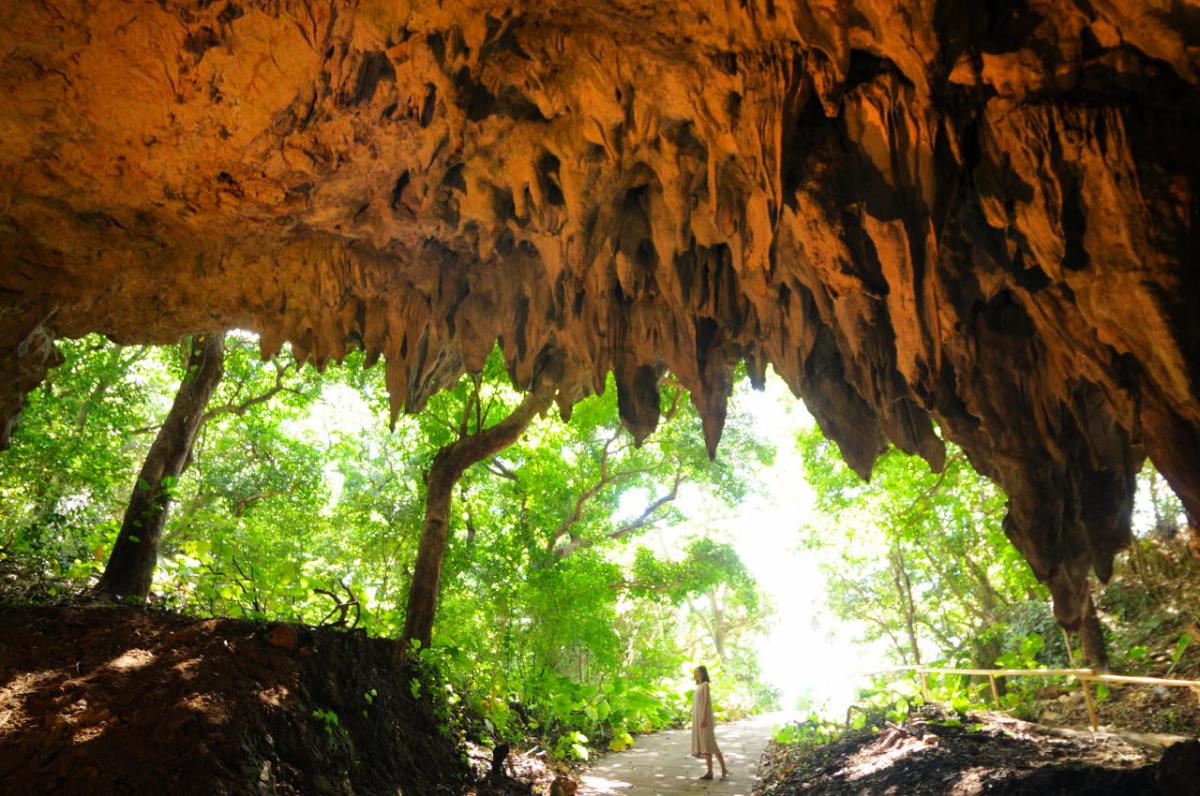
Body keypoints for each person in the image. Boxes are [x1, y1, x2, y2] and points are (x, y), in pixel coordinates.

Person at [690, 665, 728, 780]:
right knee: (707, 745)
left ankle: (723, 770)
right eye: (695, 672)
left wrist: (703, 717)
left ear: (702, 673)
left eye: (697, 672)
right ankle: (710, 772)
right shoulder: (699, 686)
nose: (695, 674)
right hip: (699, 718)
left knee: (710, 744)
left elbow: (706, 701)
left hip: (704, 718)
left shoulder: (705, 685)